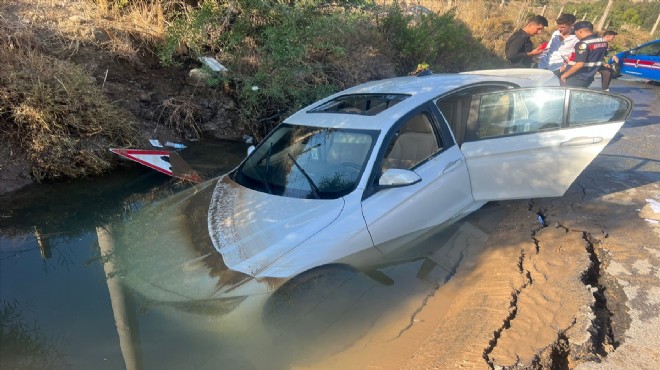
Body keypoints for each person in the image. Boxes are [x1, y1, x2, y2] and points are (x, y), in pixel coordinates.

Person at [559, 21, 609, 87]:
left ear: (580, 31)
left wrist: (564, 75)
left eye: (575, 33)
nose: (575, 36)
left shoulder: (583, 44)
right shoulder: (603, 42)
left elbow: (580, 64)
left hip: (576, 77)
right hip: (589, 76)